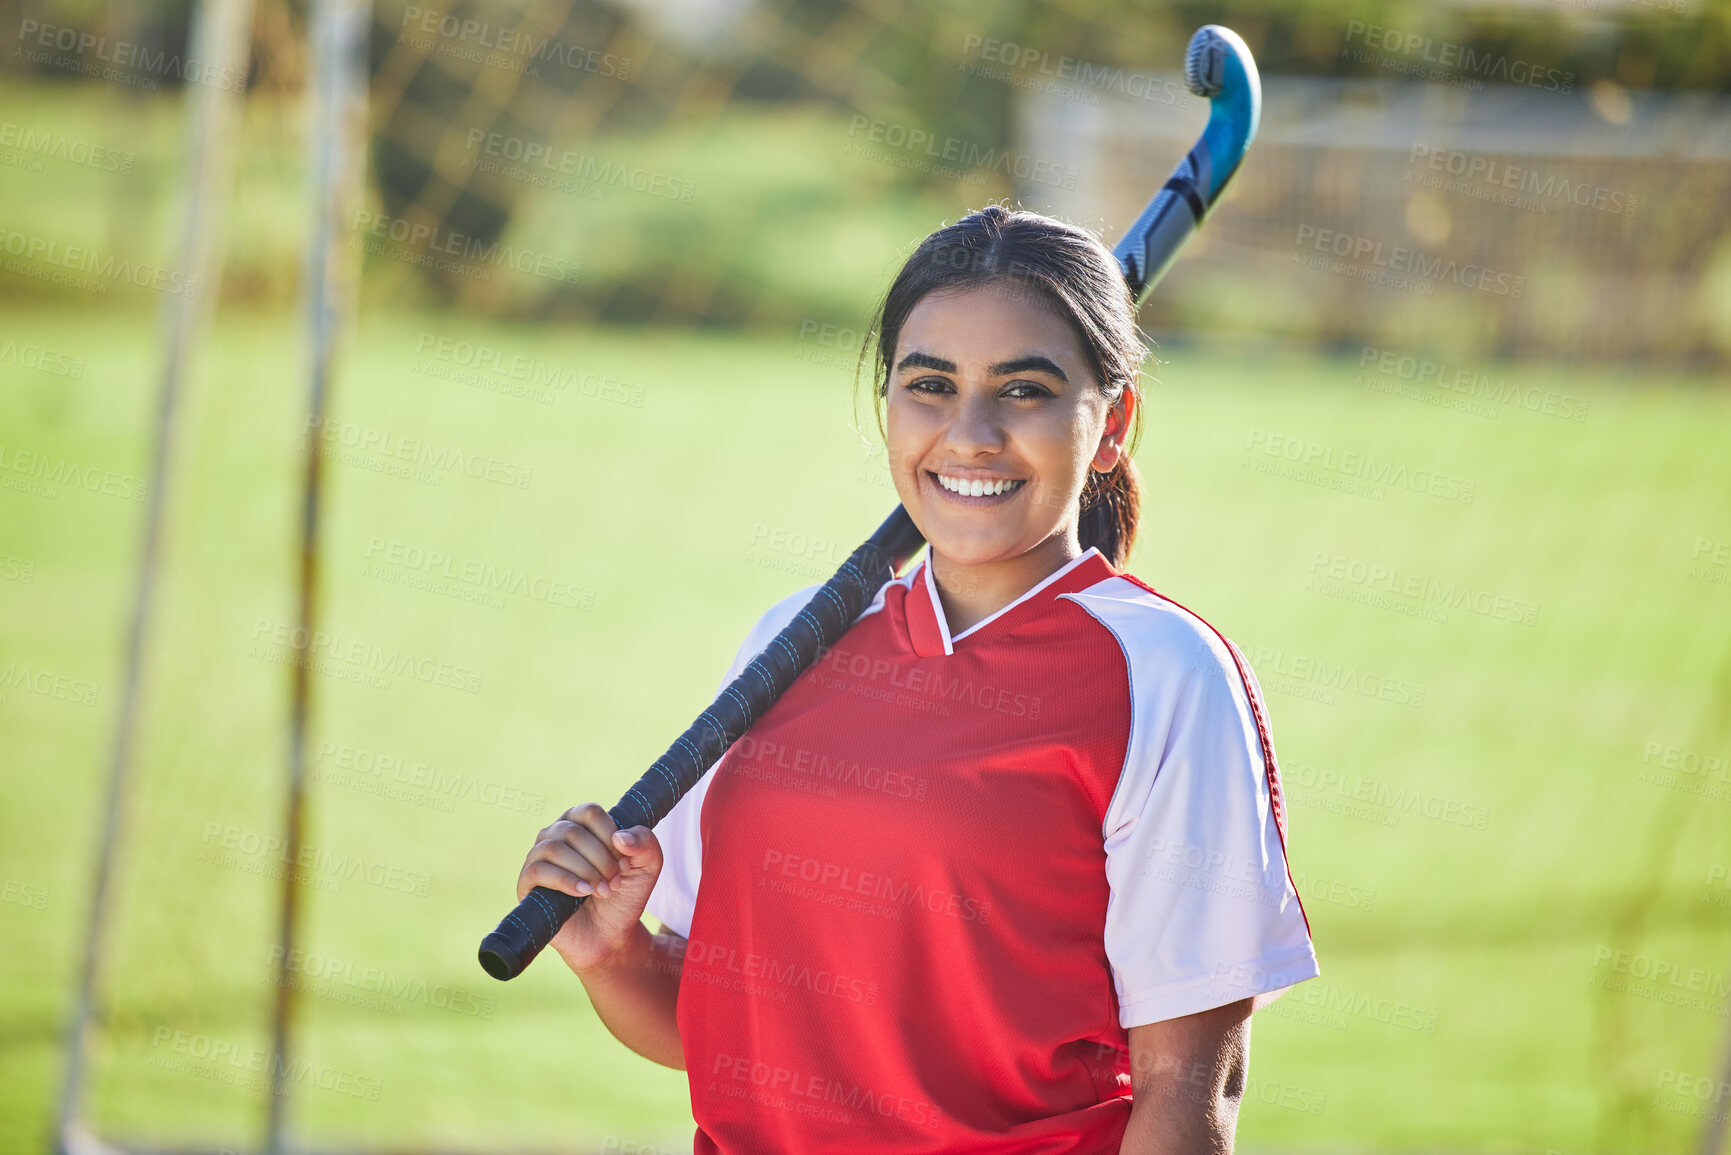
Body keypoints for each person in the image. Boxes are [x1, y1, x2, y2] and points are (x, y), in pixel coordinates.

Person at [514, 203, 1319, 1153]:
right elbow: (722, 1037)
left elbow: (1189, 1092)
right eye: (930, 384)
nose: (969, 434)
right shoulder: (791, 643)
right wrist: (614, 955)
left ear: (1112, 424)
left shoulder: (1165, 674)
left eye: (1024, 389)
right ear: (887, 404)